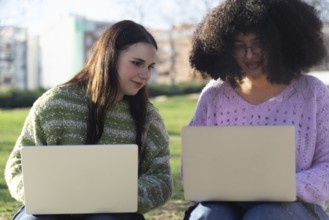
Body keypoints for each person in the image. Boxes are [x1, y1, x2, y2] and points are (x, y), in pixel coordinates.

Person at [5, 20, 172, 220]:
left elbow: (161, 178)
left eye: (150, 67)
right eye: (137, 63)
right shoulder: (54, 104)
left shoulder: (149, 119)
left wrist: (119, 196)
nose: (145, 75)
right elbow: (18, 166)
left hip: (113, 212)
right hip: (52, 209)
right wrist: (47, 195)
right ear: (109, 57)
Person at [182, 0, 329, 219]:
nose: (249, 54)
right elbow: (192, 170)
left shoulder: (313, 92)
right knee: (208, 215)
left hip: (295, 207)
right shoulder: (214, 95)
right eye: (239, 45)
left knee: (263, 214)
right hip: (227, 204)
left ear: (281, 41)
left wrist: (282, 185)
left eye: (259, 43)